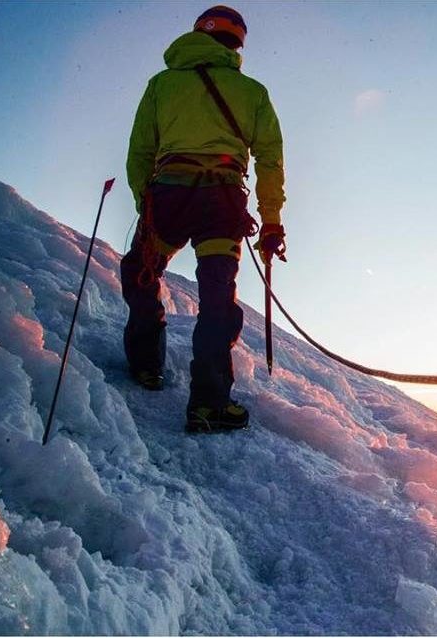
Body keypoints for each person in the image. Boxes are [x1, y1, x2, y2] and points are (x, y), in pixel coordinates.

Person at [121, 5, 286, 433]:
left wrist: (147, 202)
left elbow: (141, 150)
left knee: (141, 272)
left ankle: (146, 365)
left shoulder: (162, 84)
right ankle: (209, 404)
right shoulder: (252, 92)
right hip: (223, 201)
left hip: (170, 195)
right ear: (238, 44)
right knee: (216, 297)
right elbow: (270, 158)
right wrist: (270, 221)